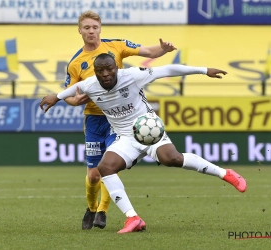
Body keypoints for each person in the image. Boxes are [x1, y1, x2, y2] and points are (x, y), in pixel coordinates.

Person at [40, 53, 247, 234]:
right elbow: (75, 87)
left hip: (148, 129)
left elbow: (166, 69)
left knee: (172, 158)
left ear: (116, 68)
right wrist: (56, 97)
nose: (105, 74)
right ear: (95, 72)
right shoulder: (90, 85)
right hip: (126, 138)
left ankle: (225, 173)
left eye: (109, 69)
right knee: (105, 167)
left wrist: (203, 70)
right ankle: (133, 218)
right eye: (100, 70)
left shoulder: (131, 75)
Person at [65, 10, 177, 230]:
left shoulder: (116, 46)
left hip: (120, 118)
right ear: (80, 31)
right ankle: (91, 207)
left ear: (100, 28)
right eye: (86, 27)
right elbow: (68, 95)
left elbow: (147, 50)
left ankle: (103, 212)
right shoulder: (75, 63)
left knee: (110, 166)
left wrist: (162, 50)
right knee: (94, 175)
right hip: (95, 120)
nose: (91, 31)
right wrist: (76, 101)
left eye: (95, 27)